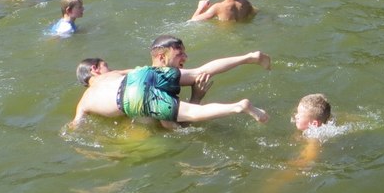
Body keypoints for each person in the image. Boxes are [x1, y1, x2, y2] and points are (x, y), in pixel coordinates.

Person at [69, 36, 271, 129]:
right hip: (139, 75)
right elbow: (135, 72)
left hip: (130, 96)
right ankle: (249, 57)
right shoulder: (115, 74)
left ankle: (238, 107)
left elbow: (76, 125)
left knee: (192, 114)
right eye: (105, 65)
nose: (108, 68)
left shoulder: (85, 99)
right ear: (94, 69)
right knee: (199, 71)